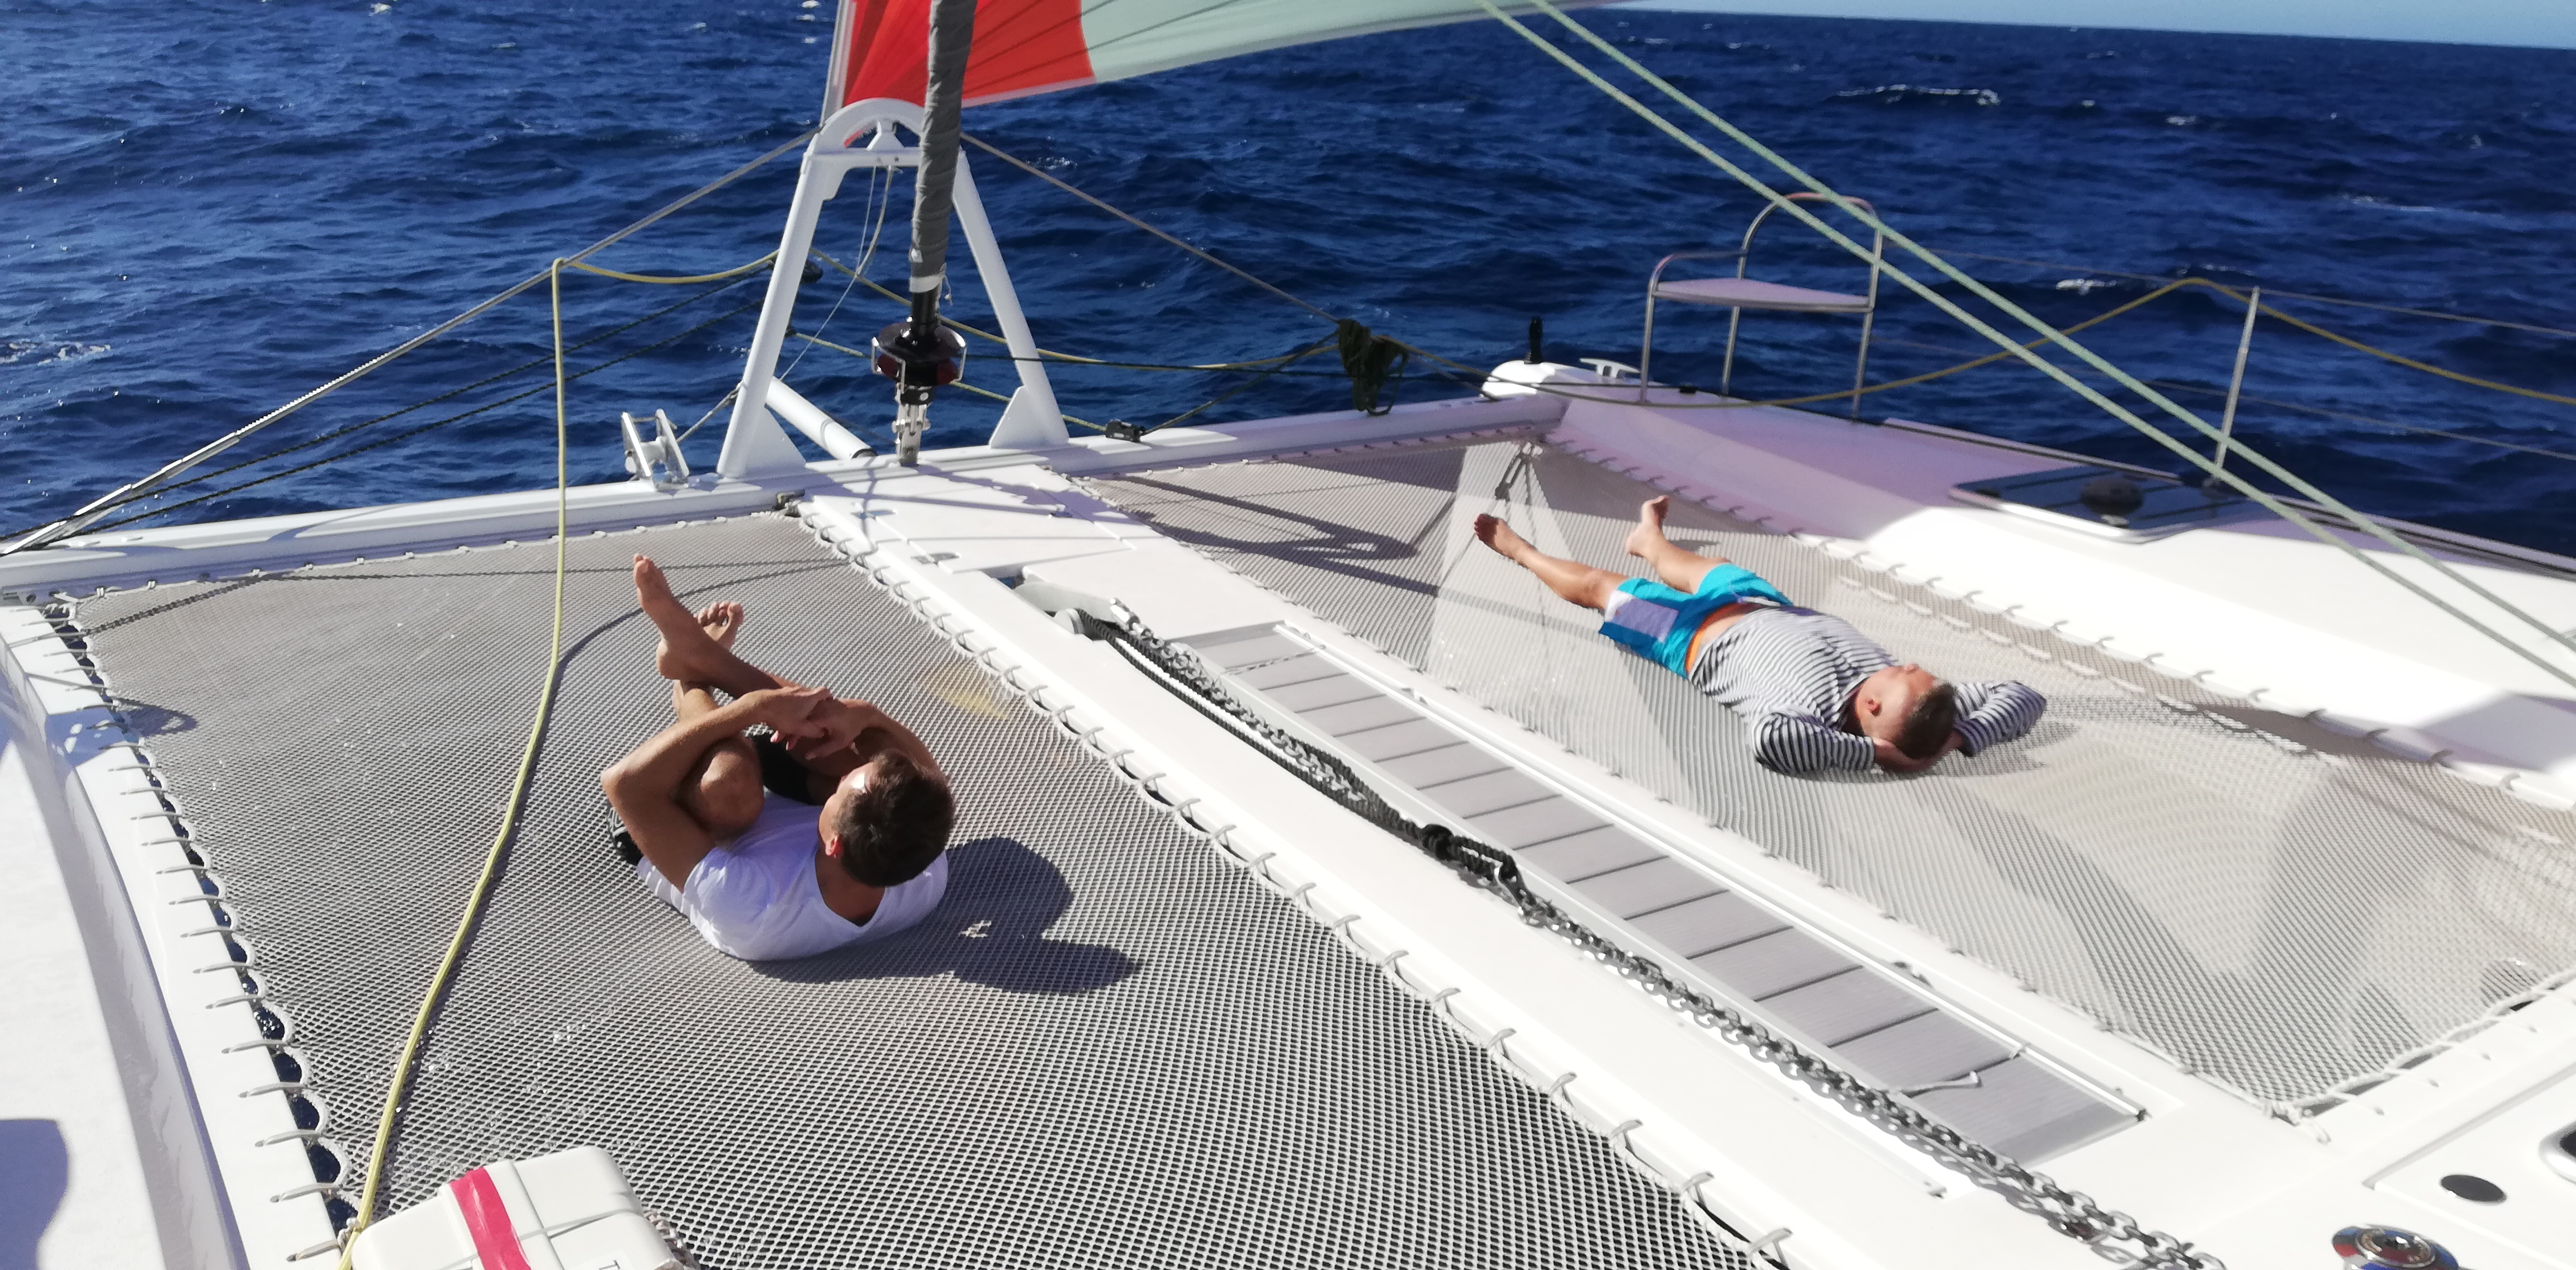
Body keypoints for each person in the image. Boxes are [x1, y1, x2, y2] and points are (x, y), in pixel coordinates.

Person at [1471, 497, 2044, 775]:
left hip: (1689, 635)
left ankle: (1522, 552)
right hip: (1766, 603)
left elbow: (1771, 740)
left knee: (1598, 586)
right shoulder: (1930, 711)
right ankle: (1649, 540)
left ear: (1872, 707)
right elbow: (2023, 695)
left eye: (1903, 673)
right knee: (1690, 563)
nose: (1909, 664)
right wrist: (1957, 739)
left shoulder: (1808, 715)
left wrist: (1880, 754)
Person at [602, 555, 956, 960]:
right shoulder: (920, 876)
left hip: (657, 803)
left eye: (840, 791)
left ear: (834, 844)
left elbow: (623, 785)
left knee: (730, 787)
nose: (842, 779)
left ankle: (690, 677)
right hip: (805, 809)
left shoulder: (753, 908)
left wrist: (751, 709)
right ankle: (711, 660)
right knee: (876, 763)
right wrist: (866, 716)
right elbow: (925, 781)